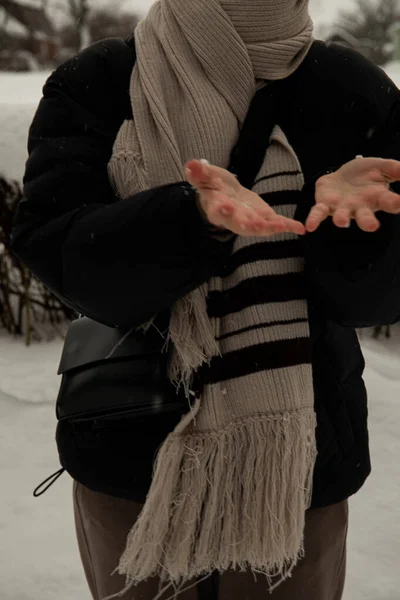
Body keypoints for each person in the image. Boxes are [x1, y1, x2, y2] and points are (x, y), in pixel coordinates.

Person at [11, 1, 400, 599]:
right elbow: (62, 257)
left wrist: (351, 227)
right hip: (131, 459)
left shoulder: (350, 89)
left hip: (295, 474)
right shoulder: (105, 79)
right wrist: (189, 220)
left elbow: (372, 300)